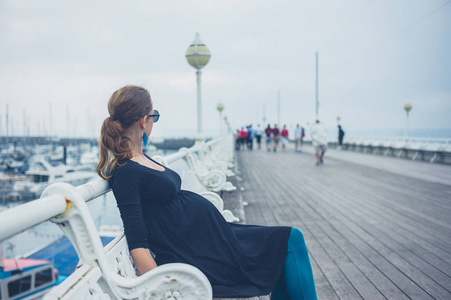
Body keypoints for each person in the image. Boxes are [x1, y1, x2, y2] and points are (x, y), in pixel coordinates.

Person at [97, 86, 317, 299]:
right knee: (288, 241)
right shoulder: (125, 171)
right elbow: (137, 241)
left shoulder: (141, 158)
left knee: (281, 247)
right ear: (144, 120)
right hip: (199, 252)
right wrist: (161, 288)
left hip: (213, 237)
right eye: (154, 116)